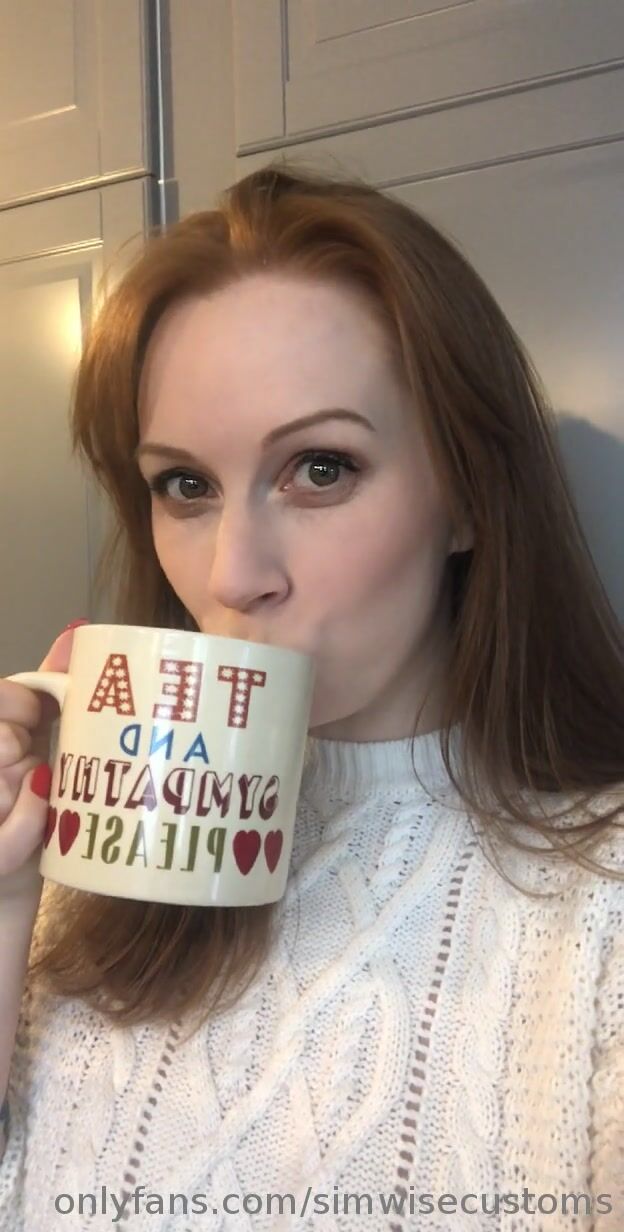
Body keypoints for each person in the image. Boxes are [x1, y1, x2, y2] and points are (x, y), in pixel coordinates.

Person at [0, 159, 622, 1232]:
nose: (234, 572)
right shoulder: (85, 871)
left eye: (320, 468)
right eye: (184, 485)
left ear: (468, 496)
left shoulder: (602, 905)